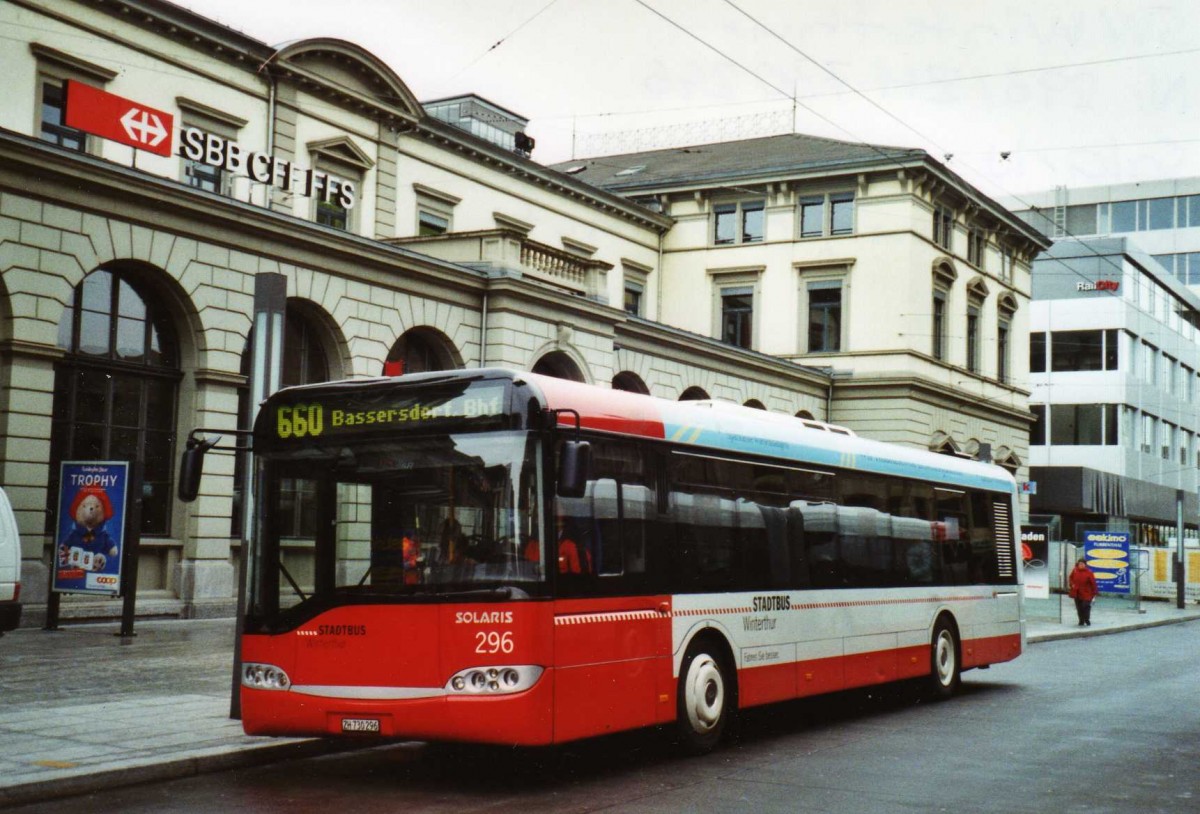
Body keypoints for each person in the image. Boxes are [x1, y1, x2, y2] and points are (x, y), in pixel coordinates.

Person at [1068, 557, 1098, 626]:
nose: (1081, 565)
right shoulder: (1075, 571)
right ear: (1077, 564)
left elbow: (1093, 583)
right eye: (1079, 564)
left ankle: (1086, 619)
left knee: (1086, 606)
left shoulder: (1089, 572)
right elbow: (1070, 578)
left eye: (1082, 564)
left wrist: (1095, 592)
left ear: (1085, 565)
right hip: (1077, 592)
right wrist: (1072, 584)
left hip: (1087, 593)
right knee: (1079, 607)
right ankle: (1081, 620)